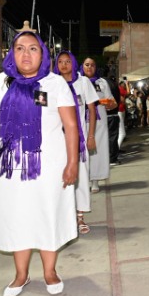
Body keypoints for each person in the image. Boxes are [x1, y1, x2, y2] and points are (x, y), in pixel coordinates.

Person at [0, 30, 79, 296]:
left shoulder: (54, 83)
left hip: (48, 166)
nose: (25, 54)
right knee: (15, 217)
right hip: (7, 167)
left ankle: (50, 272)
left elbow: (71, 125)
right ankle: (21, 275)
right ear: (11, 53)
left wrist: (72, 163)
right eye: (19, 48)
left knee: (47, 214)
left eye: (32, 48)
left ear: (42, 54)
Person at [54, 50, 98, 234]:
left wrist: (91, 136)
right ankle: (63, 218)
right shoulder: (52, 83)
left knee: (80, 178)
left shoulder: (83, 82)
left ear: (73, 63)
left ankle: (80, 218)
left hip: (79, 141)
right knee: (59, 179)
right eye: (60, 62)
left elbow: (92, 110)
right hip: (57, 140)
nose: (64, 65)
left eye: (67, 61)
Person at [81, 57, 117, 193]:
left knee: (97, 150)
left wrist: (105, 103)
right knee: (83, 151)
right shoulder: (78, 81)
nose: (89, 67)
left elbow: (112, 102)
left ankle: (95, 180)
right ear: (82, 67)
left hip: (99, 122)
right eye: (87, 64)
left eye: (92, 65)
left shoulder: (102, 82)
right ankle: (83, 180)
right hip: (83, 120)